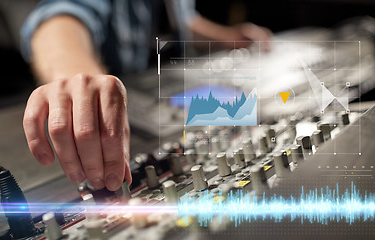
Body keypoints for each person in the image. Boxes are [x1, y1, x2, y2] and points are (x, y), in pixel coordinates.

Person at [20, 0, 272, 191]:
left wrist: (230, 38)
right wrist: (75, 77)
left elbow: (183, 20)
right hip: (121, 130)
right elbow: (60, 19)